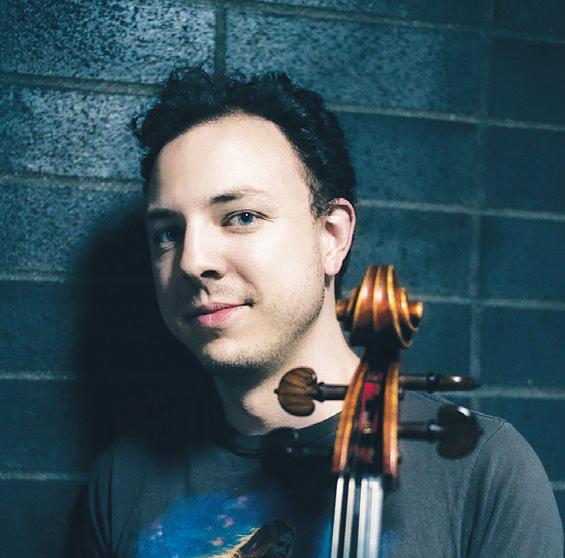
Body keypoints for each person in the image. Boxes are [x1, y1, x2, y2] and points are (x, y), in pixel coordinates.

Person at [79, 67, 563, 557]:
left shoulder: (483, 470)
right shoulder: (122, 482)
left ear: (331, 237)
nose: (191, 260)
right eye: (168, 232)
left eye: (241, 217)